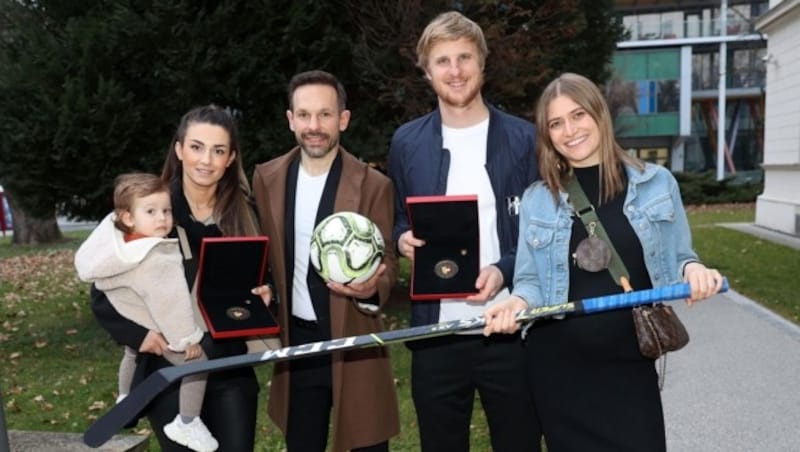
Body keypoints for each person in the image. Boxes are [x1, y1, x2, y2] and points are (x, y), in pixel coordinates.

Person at [482, 72, 725, 451]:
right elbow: (529, 281)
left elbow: (681, 258)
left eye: (578, 115)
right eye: (556, 123)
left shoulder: (656, 183)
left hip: (629, 363)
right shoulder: (537, 199)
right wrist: (515, 302)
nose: (570, 130)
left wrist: (694, 271)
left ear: (599, 114)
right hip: (558, 368)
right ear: (547, 135)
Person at [387, 11, 540, 452]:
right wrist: (401, 241)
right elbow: (401, 219)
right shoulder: (407, 142)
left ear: (482, 62)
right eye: (442, 61)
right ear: (427, 70)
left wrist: (504, 270)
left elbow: (541, 232)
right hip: (435, 337)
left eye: (464, 58)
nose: (455, 71)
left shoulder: (523, 139)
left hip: (510, 328)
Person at [90, 105, 271, 452]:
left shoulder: (244, 213)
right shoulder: (152, 208)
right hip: (169, 370)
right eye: (197, 147)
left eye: (218, 150)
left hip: (230, 367)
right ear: (179, 149)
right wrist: (138, 335)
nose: (206, 160)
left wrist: (266, 293)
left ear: (231, 158)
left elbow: (266, 276)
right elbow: (102, 288)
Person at [251, 70, 400, 452]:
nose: (314, 126)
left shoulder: (373, 185)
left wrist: (371, 289)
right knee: (302, 442)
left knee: (367, 442)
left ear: (343, 119)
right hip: (298, 344)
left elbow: (388, 261)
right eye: (304, 115)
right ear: (290, 120)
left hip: (355, 337)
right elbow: (263, 255)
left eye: (325, 115)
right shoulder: (267, 178)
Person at [76, 173, 219, 452]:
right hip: (152, 320)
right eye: (151, 212)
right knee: (198, 364)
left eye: (166, 210)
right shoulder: (158, 255)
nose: (162, 219)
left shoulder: (115, 242)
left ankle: (125, 397)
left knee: (132, 351)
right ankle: (187, 423)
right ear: (127, 217)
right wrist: (187, 340)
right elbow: (171, 303)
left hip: (127, 311)